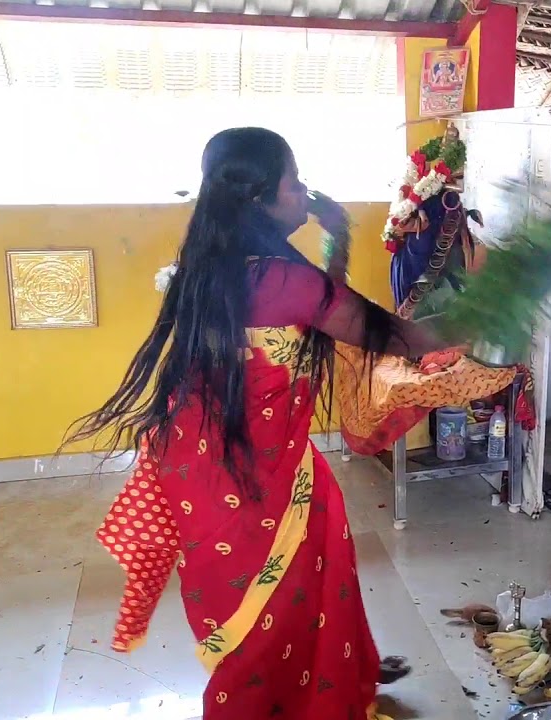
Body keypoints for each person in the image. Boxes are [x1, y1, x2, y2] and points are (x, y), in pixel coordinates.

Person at [65, 127, 448, 720]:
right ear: (257, 200)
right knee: (266, 620)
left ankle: (343, 669)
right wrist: (478, 325)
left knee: (297, 568)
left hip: (203, 475)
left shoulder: (203, 267)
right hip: (255, 481)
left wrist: (327, 230)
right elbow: (392, 336)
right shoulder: (283, 281)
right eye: (293, 181)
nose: (303, 192)